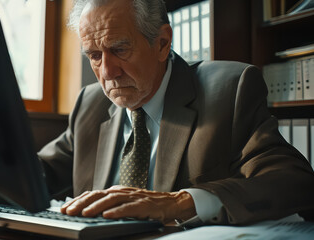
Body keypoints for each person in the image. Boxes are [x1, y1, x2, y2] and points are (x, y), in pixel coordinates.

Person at [37, 0, 314, 226]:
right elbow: (38, 175)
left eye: (119, 49)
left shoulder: (229, 91)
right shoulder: (90, 103)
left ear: (162, 43)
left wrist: (179, 202)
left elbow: (294, 182)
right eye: (94, 56)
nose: (107, 72)